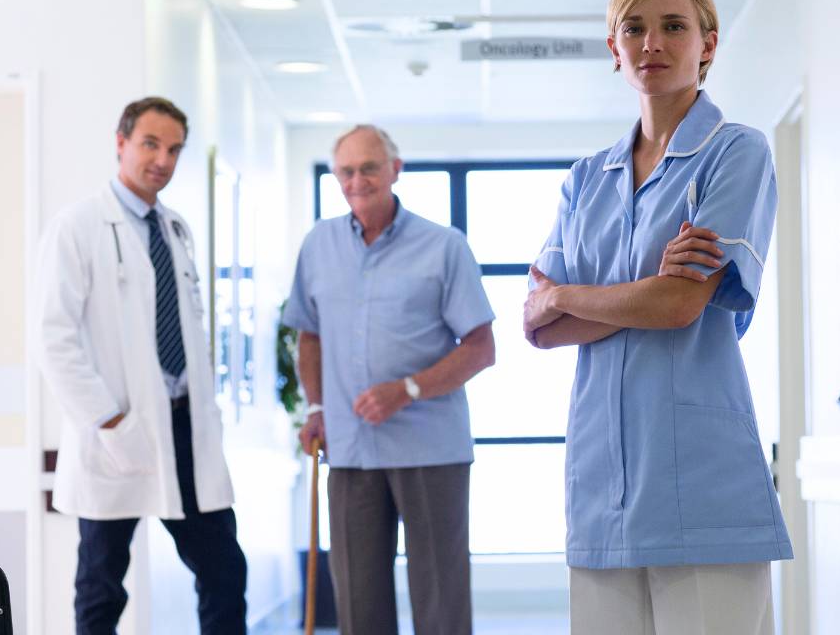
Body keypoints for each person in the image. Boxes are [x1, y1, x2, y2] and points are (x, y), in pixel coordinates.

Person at [524, 0, 792, 635]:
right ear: (613, 48)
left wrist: (572, 296)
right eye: (633, 28)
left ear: (708, 44)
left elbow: (677, 308)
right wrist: (638, 292)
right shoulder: (586, 179)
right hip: (601, 491)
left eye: (674, 26)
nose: (652, 43)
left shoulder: (736, 153)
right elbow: (539, 326)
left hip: (701, 486)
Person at [33, 97, 246, 635]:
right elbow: (52, 338)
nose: (163, 160)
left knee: (223, 570)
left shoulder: (174, 229)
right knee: (102, 584)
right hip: (115, 428)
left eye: (174, 149)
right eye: (151, 144)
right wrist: (109, 421)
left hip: (184, 426)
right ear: (121, 142)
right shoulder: (78, 226)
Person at [284, 125, 496, 635]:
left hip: (432, 451)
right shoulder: (318, 245)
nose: (357, 181)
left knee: (441, 605)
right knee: (359, 607)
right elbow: (309, 336)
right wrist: (316, 408)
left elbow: (481, 348)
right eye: (346, 171)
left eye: (369, 168)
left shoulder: (444, 246)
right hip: (351, 450)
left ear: (395, 170)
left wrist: (407, 390)